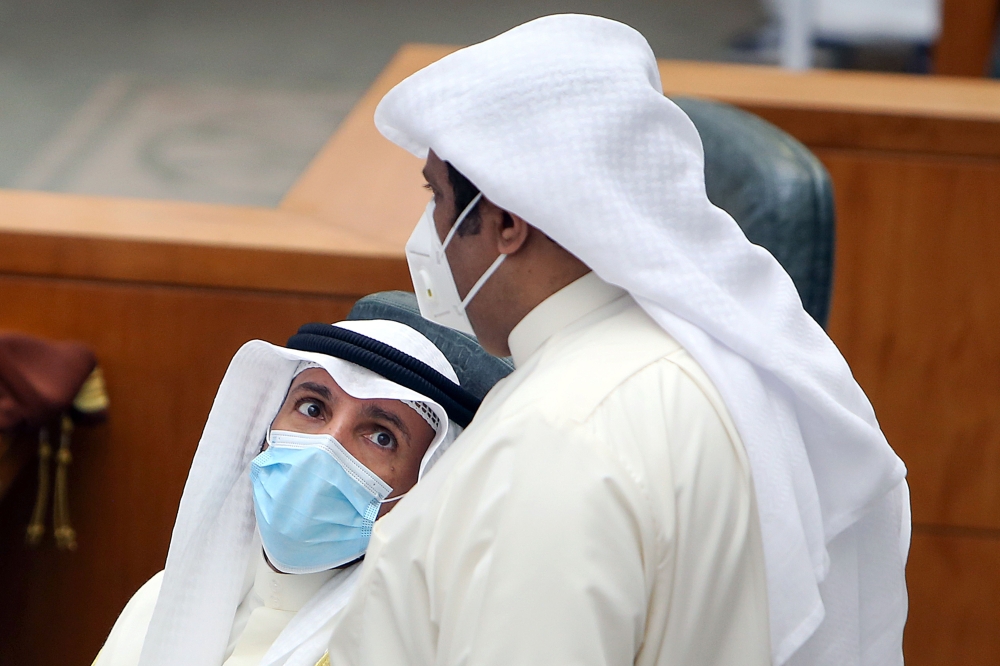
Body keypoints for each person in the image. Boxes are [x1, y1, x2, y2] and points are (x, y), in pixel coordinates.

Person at [326, 14, 910, 666]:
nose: (427, 232)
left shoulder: (557, 439)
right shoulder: (705, 365)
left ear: (507, 221)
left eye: (438, 198)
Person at [94, 318, 487, 666]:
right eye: (313, 408)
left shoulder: (397, 653)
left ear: (422, 486)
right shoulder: (158, 604)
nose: (327, 445)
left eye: (381, 437)